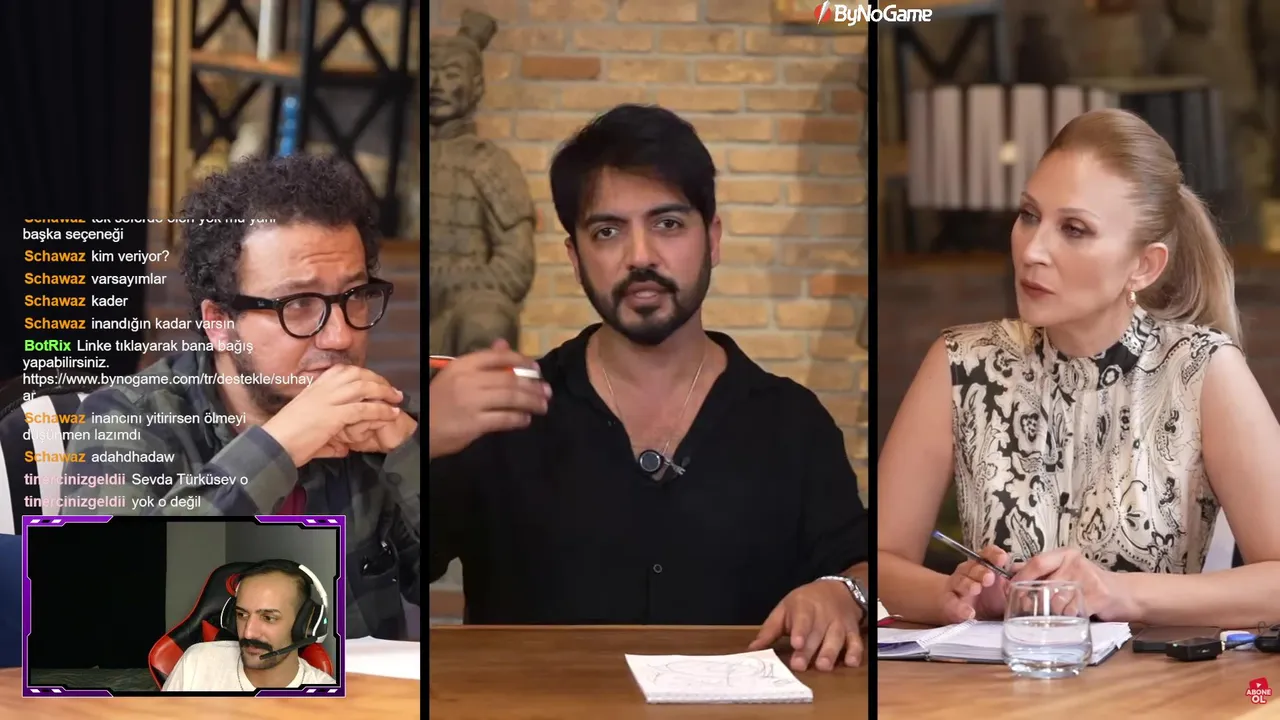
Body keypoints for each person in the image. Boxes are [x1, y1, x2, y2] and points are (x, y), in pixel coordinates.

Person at [428, 104, 869, 673]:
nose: (640, 256)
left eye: (668, 224)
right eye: (607, 232)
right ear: (575, 258)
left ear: (713, 239)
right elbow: (387, 572)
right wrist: (424, 441)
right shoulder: (504, 413)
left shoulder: (792, 421)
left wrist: (843, 592)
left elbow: (862, 564)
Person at [877, 109, 1280, 629]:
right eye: (1029, 215)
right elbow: (877, 562)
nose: (1033, 250)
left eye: (1074, 229)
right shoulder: (961, 363)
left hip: (1153, 679)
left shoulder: (1203, 370)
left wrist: (1118, 593)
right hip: (998, 678)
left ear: (1144, 266)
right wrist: (957, 596)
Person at [59, 154, 420, 640]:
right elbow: (103, 603)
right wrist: (278, 448)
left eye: (354, 296)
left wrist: (412, 456)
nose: (339, 336)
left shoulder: (376, 421)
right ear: (219, 323)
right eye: (299, 304)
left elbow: (449, 577)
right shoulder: (125, 419)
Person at [163, 560, 336, 691]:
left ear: (305, 626)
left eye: (268, 618)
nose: (248, 633)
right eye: (242, 615)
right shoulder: (196, 663)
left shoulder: (327, 700)